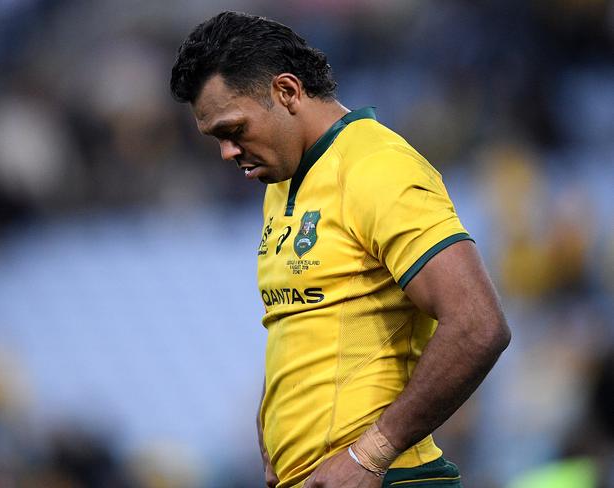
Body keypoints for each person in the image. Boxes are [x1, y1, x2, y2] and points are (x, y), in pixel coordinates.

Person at [170, 11, 511, 488]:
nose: (227, 152)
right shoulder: (283, 180)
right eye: (217, 139)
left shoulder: (376, 166)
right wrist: (274, 428)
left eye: (234, 130)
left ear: (286, 92)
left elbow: (478, 323)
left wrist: (370, 453)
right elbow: (309, 315)